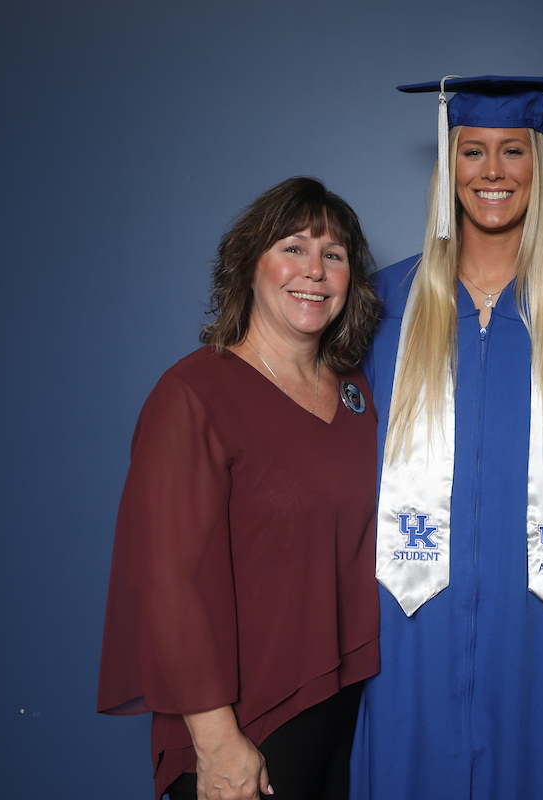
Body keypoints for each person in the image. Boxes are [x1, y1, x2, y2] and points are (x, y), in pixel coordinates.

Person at [349, 76, 543, 800]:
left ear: (541, 169)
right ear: (451, 167)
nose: (493, 172)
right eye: (472, 152)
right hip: (412, 620)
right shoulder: (385, 308)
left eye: (513, 151)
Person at [98, 177, 382, 800]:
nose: (313, 270)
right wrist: (217, 742)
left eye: (333, 255)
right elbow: (164, 581)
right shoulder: (193, 395)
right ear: (249, 264)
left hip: (335, 701)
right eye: (293, 248)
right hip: (240, 722)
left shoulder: (357, 392)